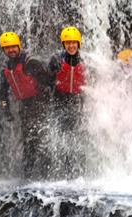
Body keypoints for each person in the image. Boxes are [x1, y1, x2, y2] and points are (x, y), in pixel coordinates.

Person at [0, 31, 51, 180]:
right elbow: (3, 93)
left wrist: (46, 102)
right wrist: (6, 110)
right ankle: (27, 177)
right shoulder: (6, 69)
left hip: (39, 104)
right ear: (3, 50)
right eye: (7, 48)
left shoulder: (30, 62)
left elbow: (48, 80)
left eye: (13, 47)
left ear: (19, 46)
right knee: (28, 143)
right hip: (24, 107)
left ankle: (46, 176)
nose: (11, 50)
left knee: (41, 140)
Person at [48, 26, 86, 179]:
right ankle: (65, 170)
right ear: (63, 45)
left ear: (78, 44)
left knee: (76, 135)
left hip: (77, 101)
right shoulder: (56, 59)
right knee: (63, 135)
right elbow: (47, 79)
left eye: (74, 43)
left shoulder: (84, 60)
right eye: (68, 43)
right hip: (60, 99)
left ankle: (78, 171)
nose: (71, 46)